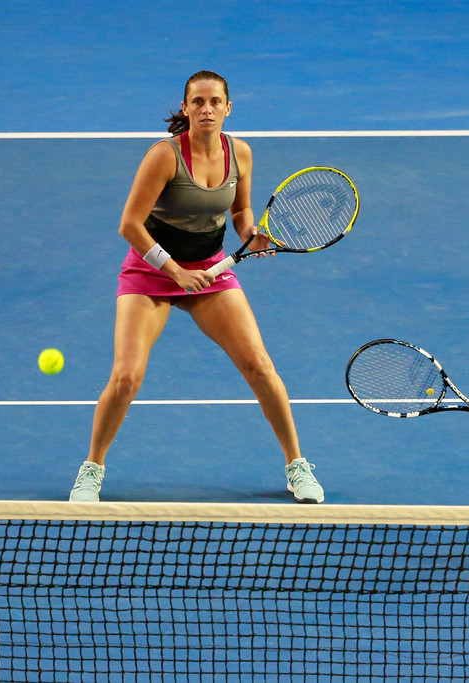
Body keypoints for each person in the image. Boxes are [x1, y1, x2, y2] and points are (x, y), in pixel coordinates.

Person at [69, 70, 324, 504]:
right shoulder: (164, 156)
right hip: (151, 272)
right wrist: (175, 272)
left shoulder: (240, 153)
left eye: (215, 102)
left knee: (259, 366)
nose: (206, 109)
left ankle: (297, 465)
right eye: (198, 102)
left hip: (210, 268)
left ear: (228, 108)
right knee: (127, 376)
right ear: (185, 108)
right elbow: (129, 225)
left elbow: (241, 210)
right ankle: (91, 469)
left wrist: (251, 235)